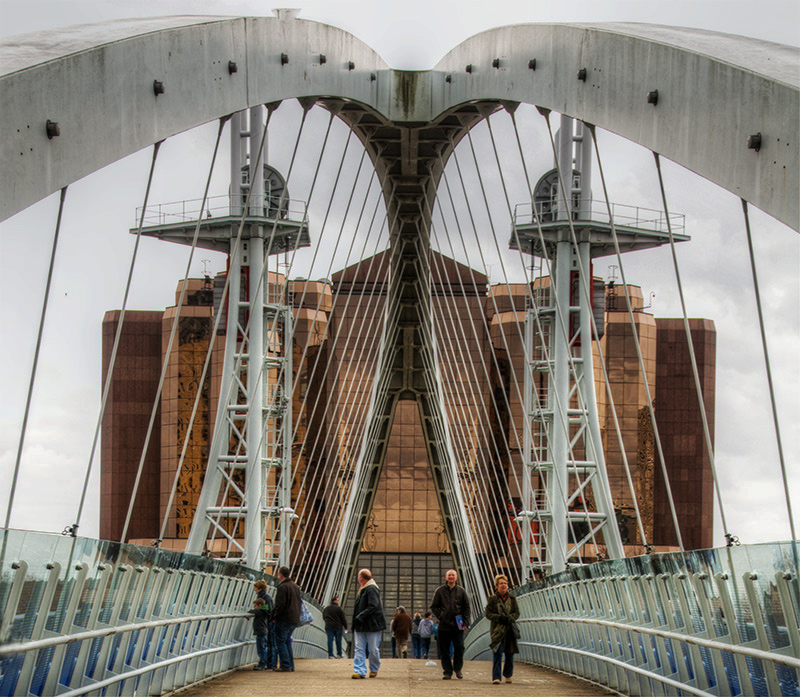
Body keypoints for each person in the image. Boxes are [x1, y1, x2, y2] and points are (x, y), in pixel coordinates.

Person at [430, 568, 471, 680]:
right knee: (444, 650)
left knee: (459, 647)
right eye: (449, 575)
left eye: (453, 575)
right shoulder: (440, 591)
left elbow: (466, 608)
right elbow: (434, 606)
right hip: (444, 625)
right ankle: (447, 671)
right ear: (446, 577)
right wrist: (441, 616)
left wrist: (466, 622)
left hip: (458, 625)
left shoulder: (461, 591)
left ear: (456, 577)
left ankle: (457, 669)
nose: (451, 577)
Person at [484, 574, 520, 684]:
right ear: (496, 586)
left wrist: (509, 618)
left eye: (505, 583)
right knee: (497, 652)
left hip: (509, 629)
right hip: (497, 630)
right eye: (501, 583)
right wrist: (498, 618)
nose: (503, 585)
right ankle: (496, 677)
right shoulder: (492, 599)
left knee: (510, 653)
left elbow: (516, 613)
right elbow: (488, 614)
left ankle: (508, 674)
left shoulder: (512, 598)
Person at [351, 568, 386, 679]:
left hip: (371, 624)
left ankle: (374, 668)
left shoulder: (371, 589)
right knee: (360, 648)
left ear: (361, 578)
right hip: (361, 625)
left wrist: (360, 616)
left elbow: (373, 605)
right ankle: (360, 671)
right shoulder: (364, 589)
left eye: (358, 577)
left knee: (372, 649)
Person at [272, 566, 301, 672]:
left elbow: (280, 605)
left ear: (280, 575)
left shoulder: (282, 587)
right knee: (287, 641)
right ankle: (290, 664)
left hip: (284, 618)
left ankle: (285, 665)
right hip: (294, 618)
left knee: (280, 641)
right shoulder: (295, 586)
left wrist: (274, 615)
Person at [253, 579, 275, 669]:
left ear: (260, 588)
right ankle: (268, 663)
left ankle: (264, 663)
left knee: (264, 645)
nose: (254, 590)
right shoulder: (266, 598)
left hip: (265, 625)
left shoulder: (265, 598)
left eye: (256, 588)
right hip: (266, 625)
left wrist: (254, 612)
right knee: (267, 644)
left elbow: (266, 611)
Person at [248, 598, 271, 670]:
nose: (254, 608)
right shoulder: (265, 611)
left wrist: (248, 613)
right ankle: (265, 663)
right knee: (264, 648)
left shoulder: (261, 611)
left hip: (260, 631)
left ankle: (262, 664)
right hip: (264, 631)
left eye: (255, 606)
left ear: (259, 605)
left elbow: (254, 611)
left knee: (261, 649)